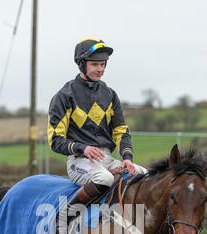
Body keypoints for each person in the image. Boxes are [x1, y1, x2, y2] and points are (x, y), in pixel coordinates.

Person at [47, 37, 146, 213]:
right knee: (105, 179)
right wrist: (83, 148)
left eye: (103, 64)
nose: (100, 69)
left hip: (107, 160)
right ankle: (64, 216)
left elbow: (121, 131)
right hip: (79, 161)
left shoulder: (110, 95)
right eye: (95, 65)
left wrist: (127, 158)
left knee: (145, 175)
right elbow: (55, 140)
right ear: (81, 64)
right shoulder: (64, 96)